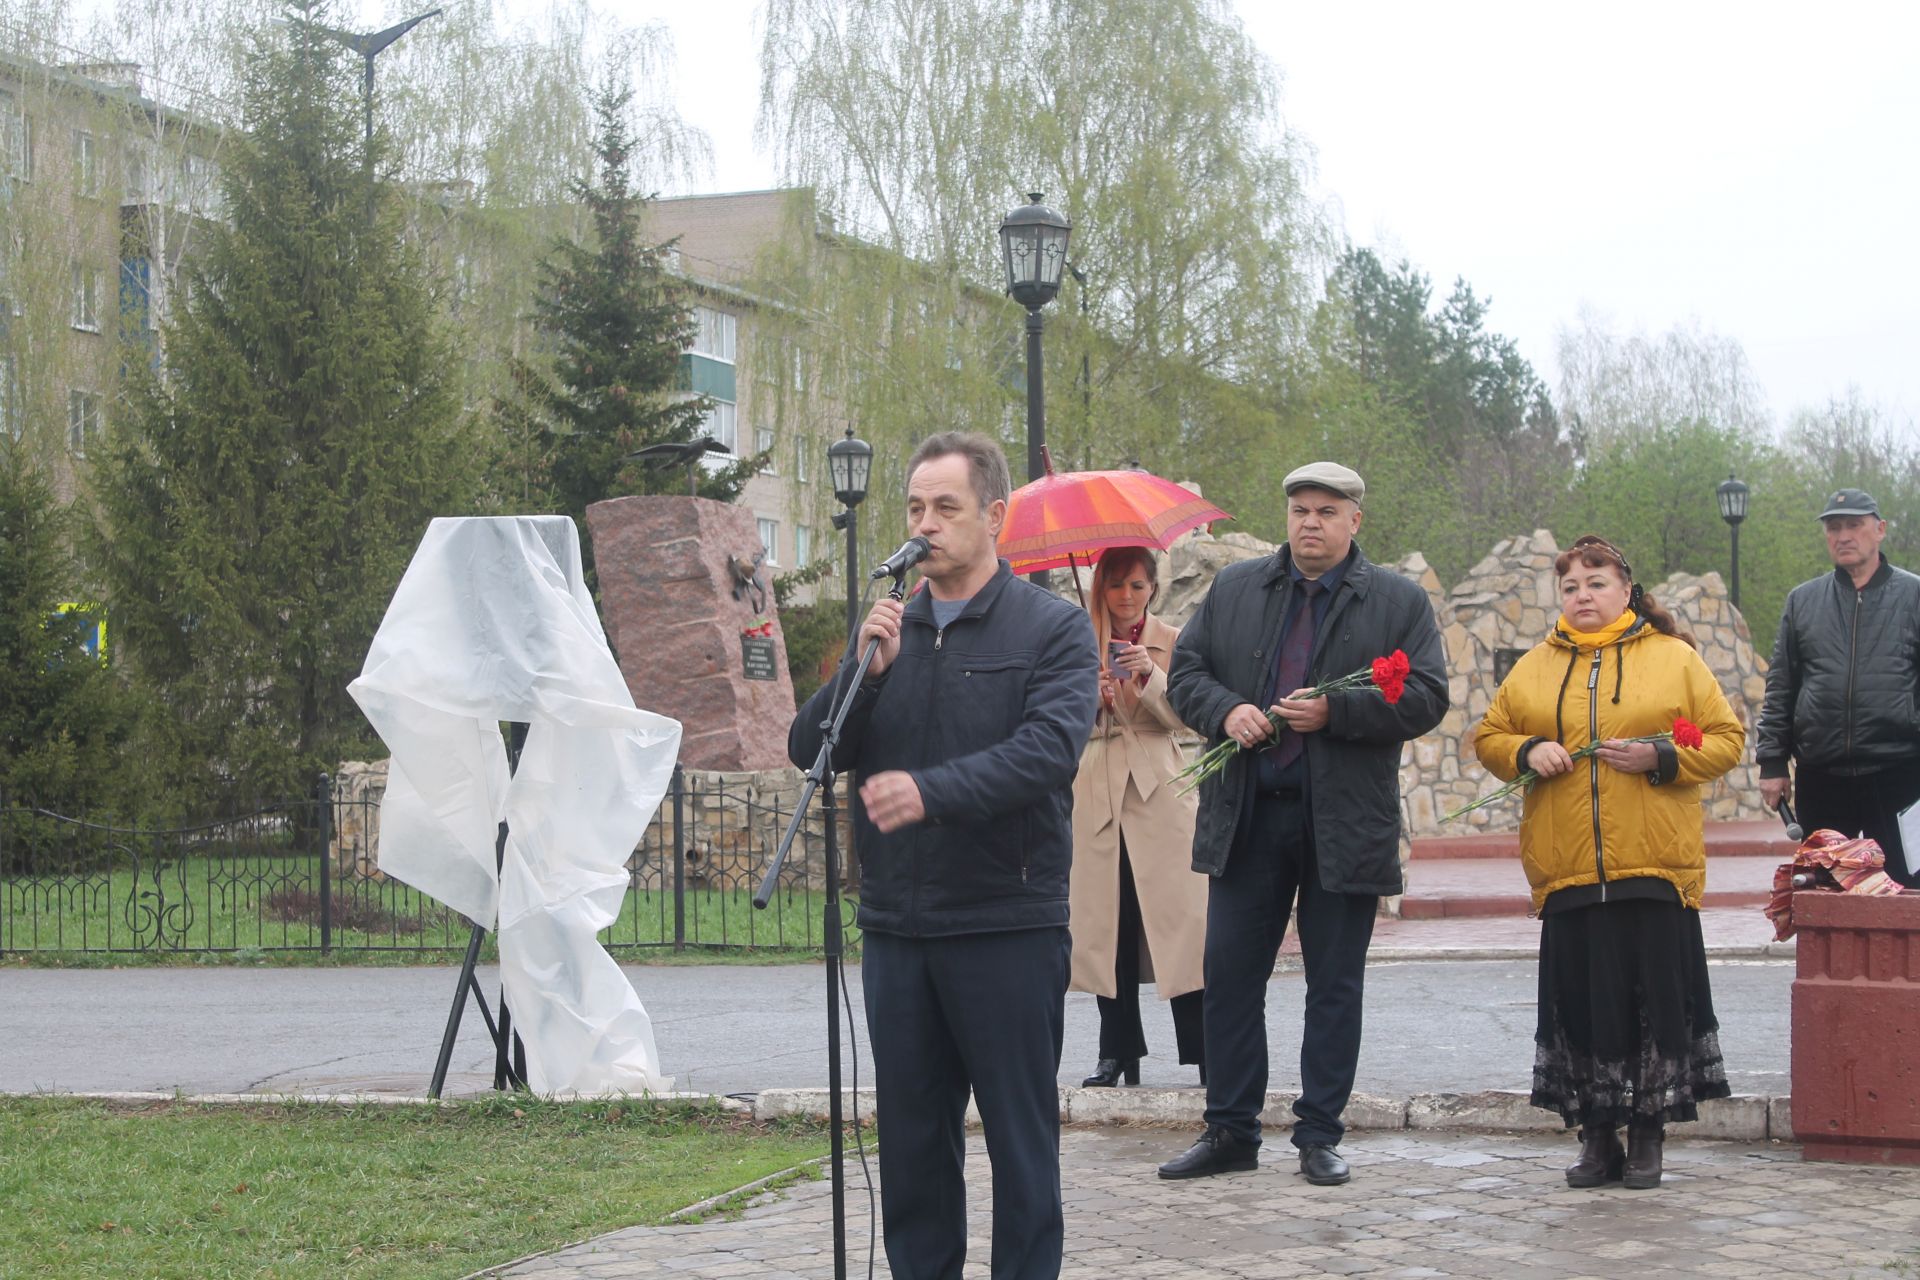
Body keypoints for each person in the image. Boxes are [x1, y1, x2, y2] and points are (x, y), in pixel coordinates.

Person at [787, 431, 1098, 1280]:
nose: (925, 526)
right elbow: (807, 746)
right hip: (898, 932)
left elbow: (1049, 753)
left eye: (945, 508)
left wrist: (935, 792)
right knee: (915, 1157)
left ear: (994, 516)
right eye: (916, 508)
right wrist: (867, 672)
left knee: (1020, 1153)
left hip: (1006, 926)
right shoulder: (893, 628)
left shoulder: (1054, 632)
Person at [1159, 462, 1448, 1186]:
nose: (1310, 523)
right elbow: (1185, 673)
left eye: (1326, 511)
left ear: (1356, 521)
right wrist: (1226, 710)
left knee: (1334, 985)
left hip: (1343, 822)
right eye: (1299, 510)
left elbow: (1427, 698)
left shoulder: (1397, 601)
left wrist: (1337, 712)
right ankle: (1230, 1131)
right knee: (1228, 978)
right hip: (1248, 816)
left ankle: (1319, 1134)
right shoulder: (1235, 589)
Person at [1474, 535, 1745, 1190]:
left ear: (1626, 591)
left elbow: (1728, 739)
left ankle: (1648, 1136)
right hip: (1567, 868)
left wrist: (1663, 758)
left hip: (1653, 866)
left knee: (1651, 1003)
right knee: (1585, 1007)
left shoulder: (1673, 658)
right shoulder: (1535, 666)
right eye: (1570, 587)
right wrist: (1527, 750)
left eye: (1596, 583)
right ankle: (1598, 1139)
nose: (1583, 596)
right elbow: (1487, 734)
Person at [1069, 546, 1208, 1089]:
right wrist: (1093, 698)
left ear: (1153, 589)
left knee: (1181, 924)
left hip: (1161, 790)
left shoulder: (1174, 641)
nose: (1125, 597)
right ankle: (1117, 1051)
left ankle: (1201, 1053)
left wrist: (1149, 674)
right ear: (1100, 587)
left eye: (1137, 586)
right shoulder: (1079, 643)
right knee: (1107, 924)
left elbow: (1186, 716)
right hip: (1099, 788)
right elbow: (1057, 721)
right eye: (1115, 586)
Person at [1757, 488, 1920, 888]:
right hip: (1822, 772)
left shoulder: (1914, 595)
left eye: (1854, 525)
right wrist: (1772, 762)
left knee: (1909, 891)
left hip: (1901, 770)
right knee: (1823, 893)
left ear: (1879, 530)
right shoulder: (1803, 601)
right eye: (1834, 527)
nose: (1843, 535)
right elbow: (1782, 686)